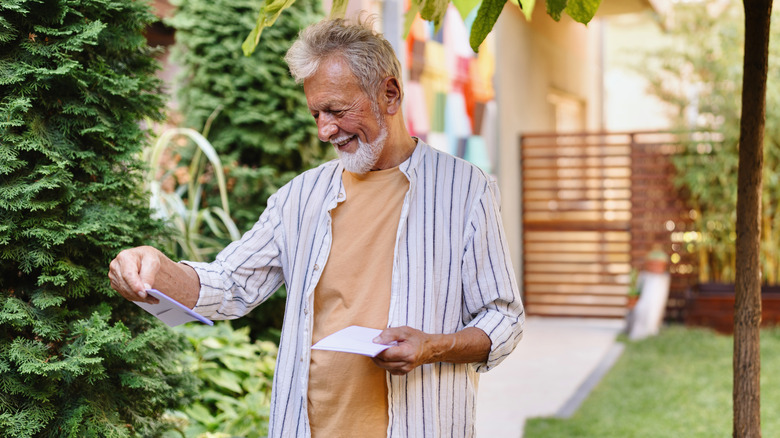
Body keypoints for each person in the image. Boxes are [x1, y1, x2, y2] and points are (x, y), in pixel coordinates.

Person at [108, 17, 524, 438]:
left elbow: (503, 318)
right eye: (317, 113)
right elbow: (230, 284)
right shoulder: (299, 197)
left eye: (338, 111)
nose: (325, 129)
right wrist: (157, 269)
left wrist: (432, 346)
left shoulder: (465, 189)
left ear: (390, 94)